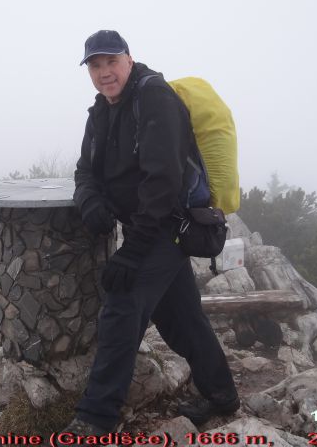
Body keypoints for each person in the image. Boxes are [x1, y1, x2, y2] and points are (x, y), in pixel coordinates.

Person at [67, 30, 239, 434]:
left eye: (111, 61)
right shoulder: (101, 111)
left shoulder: (155, 98)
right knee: (182, 319)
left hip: (168, 224)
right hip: (146, 226)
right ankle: (222, 396)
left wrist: (132, 251)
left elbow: (163, 182)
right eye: (95, 65)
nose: (104, 72)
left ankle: (95, 419)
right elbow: (84, 171)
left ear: (129, 58)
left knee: (122, 306)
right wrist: (90, 201)